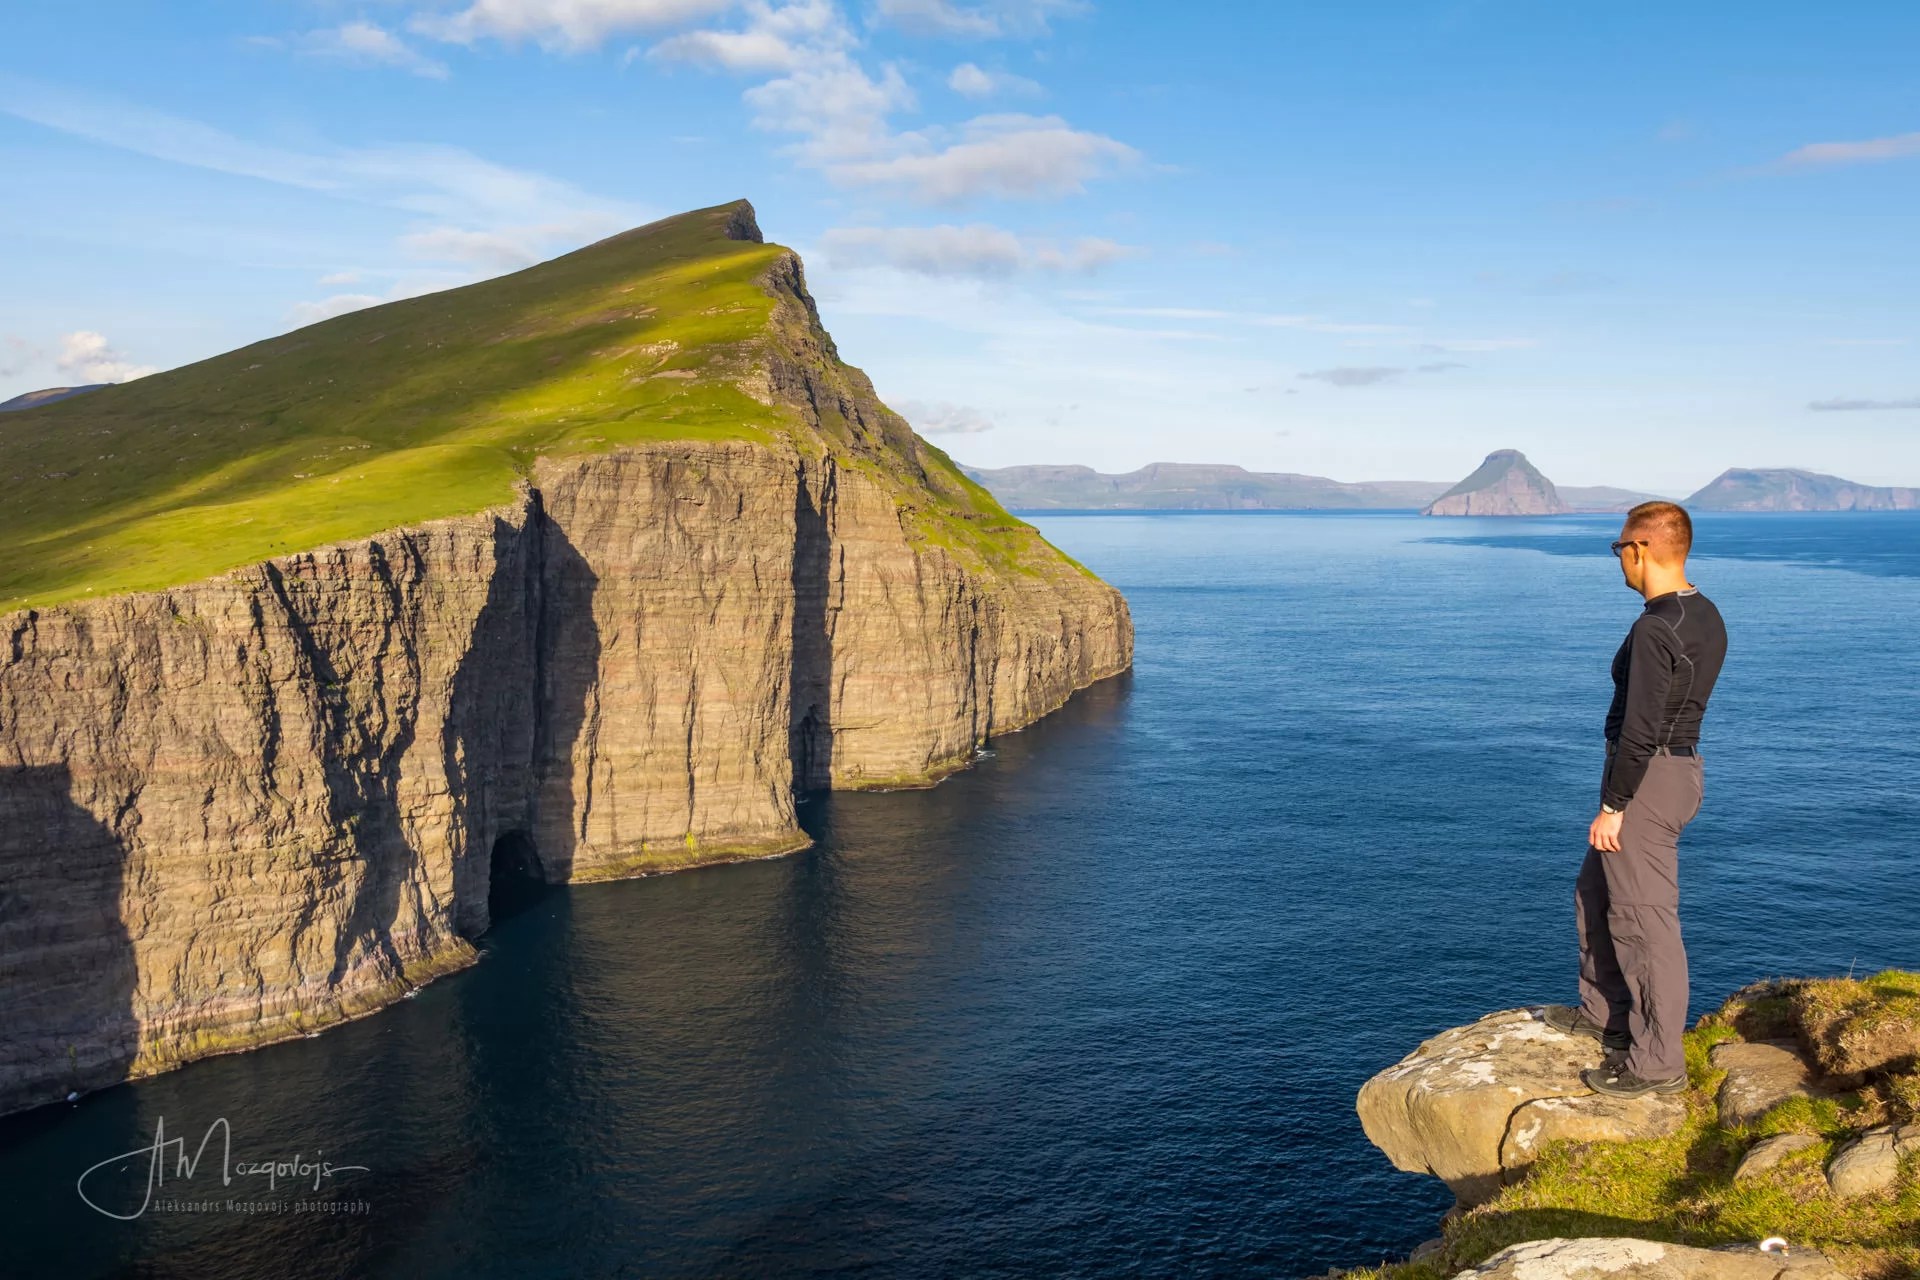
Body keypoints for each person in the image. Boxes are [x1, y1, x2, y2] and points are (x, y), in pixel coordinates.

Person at [1542, 501, 1727, 1098]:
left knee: (1645, 922)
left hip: (1647, 780)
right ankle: (1610, 1019)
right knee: (1595, 894)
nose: (1617, 558)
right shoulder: (1701, 613)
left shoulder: (1655, 626)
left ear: (1641, 549)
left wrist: (1614, 805)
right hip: (1673, 772)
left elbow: (1642, 726)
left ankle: (1657, 1064)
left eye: (1619, 546)